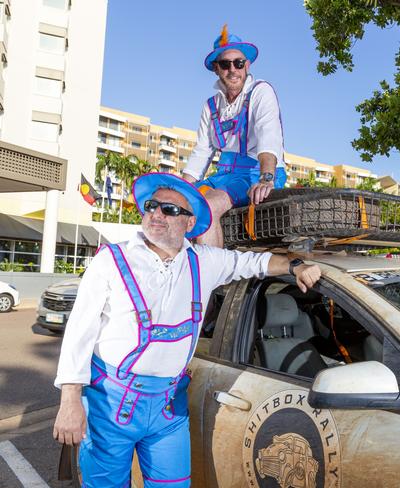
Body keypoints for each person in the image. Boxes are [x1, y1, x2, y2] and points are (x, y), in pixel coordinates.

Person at [52, 173, 321, 487]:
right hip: (108, 405)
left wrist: (295, 266)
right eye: (152, 206)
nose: (156, 214)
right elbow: (79, 332)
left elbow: (254, 263)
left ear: (190, 223)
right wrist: (70, 401)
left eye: (169, 210)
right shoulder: (111, 260)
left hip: (168, 409)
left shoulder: (204, 262)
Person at [183, 25, 285, 247]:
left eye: (238, 63)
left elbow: (269, 136)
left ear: (247, 65)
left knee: (207, 207)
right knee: (181, 207)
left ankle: (212, 279)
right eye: (225, 64)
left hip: (255, 172)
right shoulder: (211, 106)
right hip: (224, 175)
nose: (233, 69)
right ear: (216, 69)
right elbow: (202, 151)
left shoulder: (260, 91)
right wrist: (181, 189)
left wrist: (266, 178)